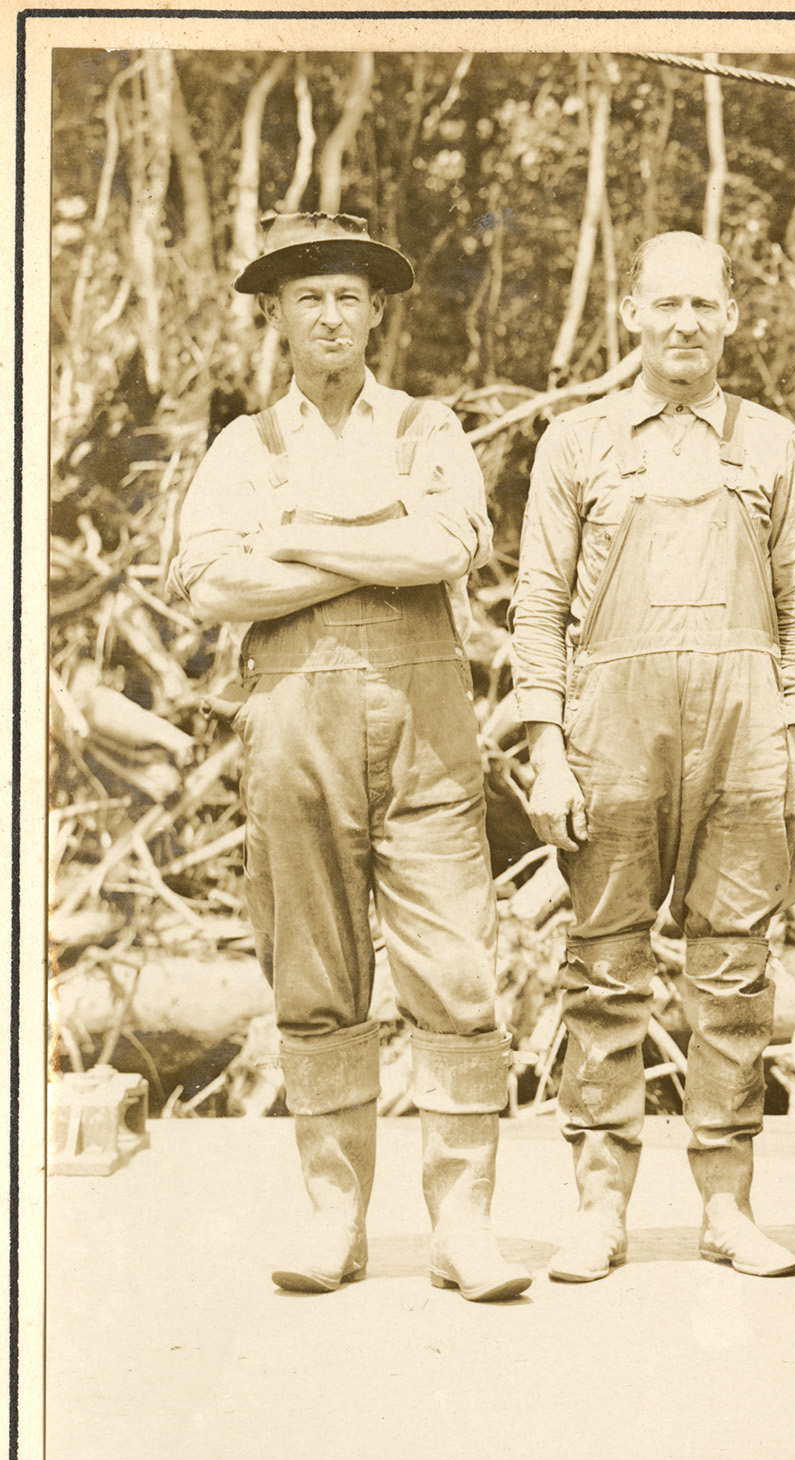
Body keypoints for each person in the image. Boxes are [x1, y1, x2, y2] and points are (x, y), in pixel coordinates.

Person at [170, 210, 526, 1301]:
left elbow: (451, 545)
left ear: (378, 311)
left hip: (424, 735)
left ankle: (463, 1222)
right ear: (274, 315)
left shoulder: (427, 427)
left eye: (348, 296)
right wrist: (370, 544)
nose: (330, 314)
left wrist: (297, 536)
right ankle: (336, 1215)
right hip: (291, 733)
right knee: (316, 976)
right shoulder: (244, 445)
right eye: (306, 296)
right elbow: (207, 583)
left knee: (457, 973)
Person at [513, 230, 795, 1283]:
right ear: (632, 314)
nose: (685, 324)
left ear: (731, 318)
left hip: (745, 728)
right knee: (604, 962)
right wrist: (548, 750)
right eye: (666, 305)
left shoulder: (774, 443)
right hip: (613, 727)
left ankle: (728, 1203)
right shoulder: (576, 442)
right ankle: (599, 1202)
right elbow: (539, 606)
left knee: (734, 964)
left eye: (704, 306)